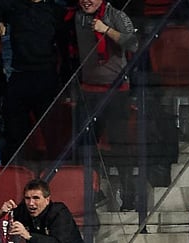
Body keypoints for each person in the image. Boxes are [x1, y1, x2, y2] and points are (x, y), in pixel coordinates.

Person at [0, 0, 66, 155]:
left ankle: (61, 173)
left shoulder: (56, 10)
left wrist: (64, 82)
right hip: (19, 77)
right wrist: (0, 20)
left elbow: (64, 47)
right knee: (15, 136)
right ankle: (14, 173)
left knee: (53, 135)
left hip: (46, 78)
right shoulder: (13, 5)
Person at [74, 0, 139, 211]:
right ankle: (94, 192)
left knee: (119, 146)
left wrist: (106, 30)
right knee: (84, 145)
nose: (86, 0)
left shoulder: (117, 15)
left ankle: (129, 197)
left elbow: (133, 43)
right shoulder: (75, 17)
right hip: (88, 91)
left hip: (115, 90)